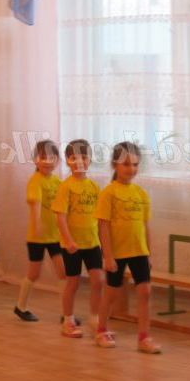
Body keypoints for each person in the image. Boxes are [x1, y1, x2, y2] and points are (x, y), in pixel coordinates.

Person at [94, 141, 161, 354]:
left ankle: (144, 337)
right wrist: (108, 256)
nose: (131, 169)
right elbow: (103, 226)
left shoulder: (141, 193)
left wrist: (148, 253)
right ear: (115, 164)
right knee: (111, 293)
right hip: (117, 253)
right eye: (126, 164)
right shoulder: (109, 193)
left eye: (135, 164)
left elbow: (145, 226)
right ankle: (101, 330)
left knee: (145, 292)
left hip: (139, 251)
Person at [51, 139, 102, 338]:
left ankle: (95, 318)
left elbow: (100, 217)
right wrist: (69, 240)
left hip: (92, 243)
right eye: (74, 157)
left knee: (98, 281)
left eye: (84, 157)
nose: (79, 161)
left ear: (90, 160)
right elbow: (60, 217)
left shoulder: (94, 187)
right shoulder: (66, 187)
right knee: (73, 283)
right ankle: (68, 321)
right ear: (67, 161)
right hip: (72, 245)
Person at [14, 140, 67, 322]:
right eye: (43, 157)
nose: (47, 161)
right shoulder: (35, 181)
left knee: (63, 272)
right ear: (35, 160)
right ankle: (20, 307)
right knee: (34, 273)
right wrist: (37, 225)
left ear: (57, 160)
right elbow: (35, 205)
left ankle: (66, 313)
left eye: (52, 157)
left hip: (55, 236)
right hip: (36, 238)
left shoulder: (58, 182)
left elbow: (63, 207)